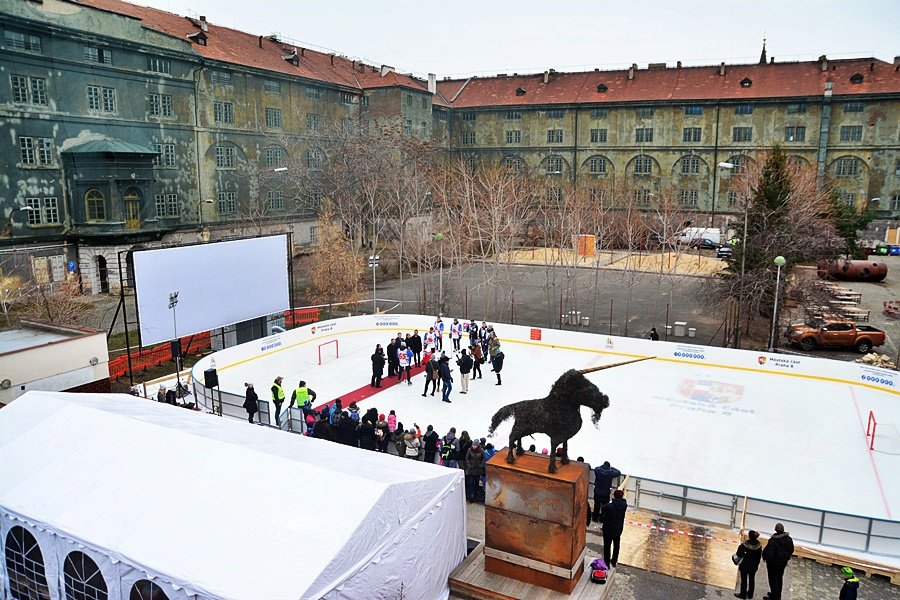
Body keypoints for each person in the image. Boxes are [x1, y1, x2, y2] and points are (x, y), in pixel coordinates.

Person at [762, 523, 794, 600]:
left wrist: (765, 557)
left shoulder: (773, 541)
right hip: (782, 563)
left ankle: (774, 597)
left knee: (773, 580)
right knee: (779, 578)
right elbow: (791, 550)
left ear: (776, 530)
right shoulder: (789, 539)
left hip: (773, 564)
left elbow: (769, 554)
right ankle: (777, 595)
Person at [601, 489, 627, 568]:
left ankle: (606, 562)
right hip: (618, 529)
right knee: (616, 545)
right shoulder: (624, 506)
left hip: (608, 529)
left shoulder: (609, 506)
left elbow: (603, 508)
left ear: (614, 496)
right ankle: (614, 561)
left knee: (607, 546)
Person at [734, 530, 762, 599]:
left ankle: (743, 594)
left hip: (744, 565)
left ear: (749, 536)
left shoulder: (744, 545)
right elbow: (759, 557)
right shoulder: (759, 546)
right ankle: (750, 594)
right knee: (752, 580)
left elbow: (739, 554)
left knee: (744, 580)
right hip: (753, 566)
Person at [465, 438, 486, 503]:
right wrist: (469, 465)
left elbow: (484, 458)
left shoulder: (481, 450)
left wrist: (481, 465)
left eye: (475, 445)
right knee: (471, 483)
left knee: (477, 483)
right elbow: (467, 458)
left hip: (478, 470)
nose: (473, 446)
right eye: (473, 445)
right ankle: (471, 496)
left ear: (477, 445)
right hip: (471, 469)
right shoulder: (469, 450)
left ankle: (476, 496)